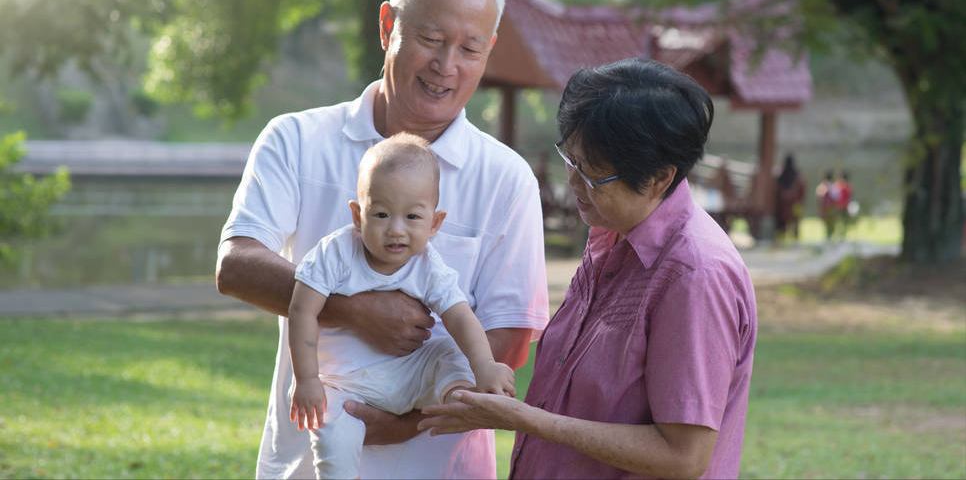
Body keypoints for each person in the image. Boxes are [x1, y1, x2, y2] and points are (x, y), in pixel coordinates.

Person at [216, 0, 549, 479]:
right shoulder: (297, 140)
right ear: (387, 25)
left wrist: (405, 419)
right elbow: (235, 265)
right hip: (304, 462)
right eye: (431, 37)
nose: (447, 64)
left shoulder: (506, 179)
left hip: (441, 465)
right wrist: (353, 309)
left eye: (469, 48)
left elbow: (509, 339)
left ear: (489, 50)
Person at [419, 58, 758, 479]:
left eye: (593, 175)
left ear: (659, 179)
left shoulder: (695, 275)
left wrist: (524, 419)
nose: (574, 184)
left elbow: (683, 456)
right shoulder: (611, 232)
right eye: (571, 160)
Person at [288, 133, 515, 478]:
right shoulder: (334, 254)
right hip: (343, 383)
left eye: (412, 217)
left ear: (435, 223)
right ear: (357, 214)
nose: (395, 230)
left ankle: (459, 396)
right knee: (333, 434)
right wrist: (305, 379)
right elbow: (302, 310)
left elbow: (459, 315)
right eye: (380, 214)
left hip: (409, 377)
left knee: (450, 352)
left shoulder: (428, 265)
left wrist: (484, 365)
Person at [774, 154, 806, 241]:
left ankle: (781, 239)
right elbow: (802, 190)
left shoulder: (781, 176)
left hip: (782, 206)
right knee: (795, 223)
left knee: (782, 226)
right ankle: (795, 239)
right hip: (795, 204)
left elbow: (776, 190)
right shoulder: (798, 176)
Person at [815, 170, 840, 241]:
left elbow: (819, 199)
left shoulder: (821, 187)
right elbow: (836, 199)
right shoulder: (833, 187)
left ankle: (828, 238)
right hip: (831, 209)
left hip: (825, 209)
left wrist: (820, 209)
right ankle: (829, 238)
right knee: (831, 226)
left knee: (827, 226)